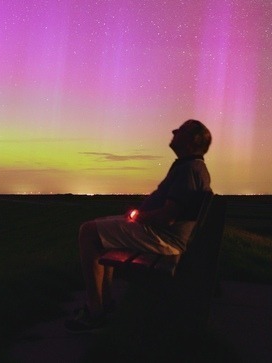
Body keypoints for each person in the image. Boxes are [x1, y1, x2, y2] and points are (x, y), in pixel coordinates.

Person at [65, 119, 213, 332]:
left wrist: (139, 216)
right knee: (99, 225)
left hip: (164, 238)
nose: (173, 131)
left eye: (180, 130)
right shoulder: (192, 167)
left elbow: (167, 217)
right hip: (164, 234)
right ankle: (105, 303)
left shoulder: (189, 169)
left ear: (192, 141)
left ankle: (95, 312)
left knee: (88, 232)